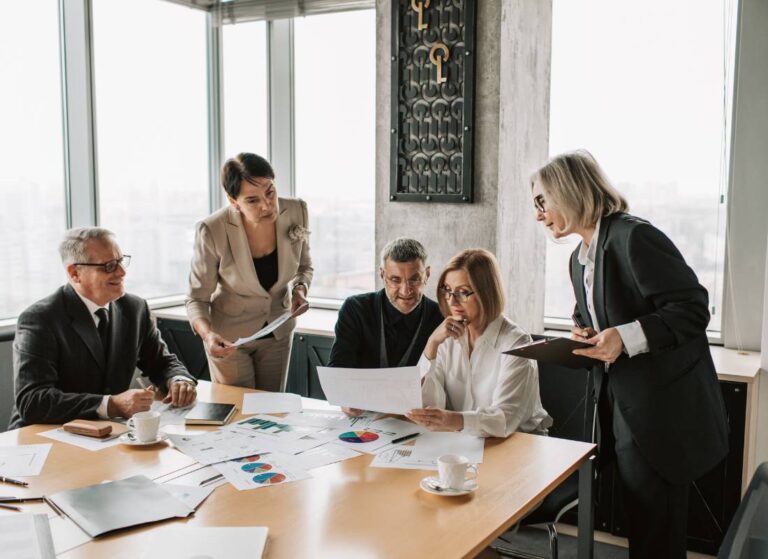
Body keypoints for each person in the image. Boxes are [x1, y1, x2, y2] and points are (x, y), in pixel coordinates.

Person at [531, 150, 729, 559]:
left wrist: (623, 337)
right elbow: (596, 308)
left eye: (541, 201)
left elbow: (692, 308)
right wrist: (582, 330)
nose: (538, 215)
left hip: (661, 414)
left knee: (657, 534)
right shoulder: (578, 259)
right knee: (643, 524)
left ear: (567, 191)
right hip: (621, 410)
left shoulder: (634, 236)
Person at [9, 227, 196, 430]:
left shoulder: (134, 308)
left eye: (120, 261)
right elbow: (33, 401)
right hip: (42, 435)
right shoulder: (40, 318)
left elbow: (161, 362)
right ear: (75, 273)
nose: (122, 272)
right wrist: (111, 405)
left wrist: (178, 379)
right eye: (108, 266)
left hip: (107, 433)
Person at [187, 152, 313, 391]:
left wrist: (300, 289)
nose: (266, 205)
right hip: (230, 340)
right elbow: (196, 298)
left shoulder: (297, 211)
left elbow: (304, 266)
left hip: (278, 332)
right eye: (252, 200)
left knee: (273, 414)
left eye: (270, 191)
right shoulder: (212, 229)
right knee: (238, 413)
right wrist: (208, 335)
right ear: (233, 201)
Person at [406, 249, 551, 438]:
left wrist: (453, 420)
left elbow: (504, 419)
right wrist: (431, 345)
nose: (452, 301)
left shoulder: (516, 343)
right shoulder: (446, 337)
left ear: (486, 293)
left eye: (463, 292)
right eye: (448, 290)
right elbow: (427, 405)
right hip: (465, 442)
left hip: (518, 445)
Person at [328, 238, 444, 415]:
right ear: (382, 275)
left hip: (416, 420)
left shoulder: (440, 317)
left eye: (414, 280)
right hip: (363, 418)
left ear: (427, 274)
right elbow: (338, 369)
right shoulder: (355, 309)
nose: (406, 291)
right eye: (395, 280)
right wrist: (345, 399)